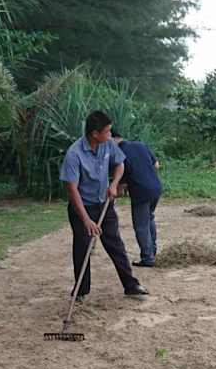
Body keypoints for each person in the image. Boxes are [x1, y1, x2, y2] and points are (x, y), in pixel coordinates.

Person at [60, 111, 150, 300]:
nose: (111, 135)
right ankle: (81, 291)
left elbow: (120, 164)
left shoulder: (108, 144)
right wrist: (86, 220)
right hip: (81, 207)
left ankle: (131, 285)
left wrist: (114, 184)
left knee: (115, 243)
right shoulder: (73, 154)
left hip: (104, 204)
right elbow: (72, 190)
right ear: (95, 133)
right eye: (107, 131)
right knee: (82, 248)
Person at [111, 130, 162, 267]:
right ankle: (152, 250)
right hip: (156, 187)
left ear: (113, 139)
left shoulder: (119, 154)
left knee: (141, 225)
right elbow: (156, 165)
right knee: (149, 218)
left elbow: (120, 188)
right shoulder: (140, 145)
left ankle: (147, 258)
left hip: (141, 191)